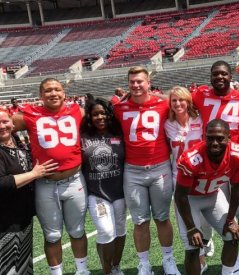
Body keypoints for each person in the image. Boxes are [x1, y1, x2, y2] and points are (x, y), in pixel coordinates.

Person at [12, 78, 91, 275]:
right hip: (45, 184)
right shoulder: (30, 115)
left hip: (74, 181)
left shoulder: (77, 111)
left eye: (57, 89)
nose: (53, 93)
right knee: (52, 235)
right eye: (48, 91)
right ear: (41, 96)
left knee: (77, 231)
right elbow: (5, 125)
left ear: (64, 93)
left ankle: (82, 271)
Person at [192, 60, 239, 274]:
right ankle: (233, 258)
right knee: (222, 215)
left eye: (224, 74)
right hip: (212, 166)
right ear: (210, 76)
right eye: (215, 74)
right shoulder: (200, 95)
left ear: (231, 76)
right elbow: (175, 100)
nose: (220, 77)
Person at [113, 66, 180, 275]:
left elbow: (185, 107)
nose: (136, 85)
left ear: (148, 82)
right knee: (140, 221)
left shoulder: (163, 103)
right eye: (132, 82)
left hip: (160, 167)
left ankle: (168, 259)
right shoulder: (119, 108)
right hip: (133, 171)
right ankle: (144, 263)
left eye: (140, 81)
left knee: (162, 218)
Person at [174, 119, 239, 275]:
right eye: (210, 138)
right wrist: (191, 228)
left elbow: (236, 188)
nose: (215, 143)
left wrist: (230, 220)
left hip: (213, 195)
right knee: (193, 245)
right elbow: (180, 195)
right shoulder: (191, 159)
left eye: (220, 138)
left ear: (229, 138)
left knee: (232, 235)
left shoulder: (238, 154)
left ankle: (228, 273)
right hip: (189, 200)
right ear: (204, 137)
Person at [0, 110, 58, 275]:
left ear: (12, 123)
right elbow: (2, 183)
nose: (2, 126)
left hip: (22, 215)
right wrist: (34, 174)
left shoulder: (18, 142)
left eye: (5, 121)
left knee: (24, 262)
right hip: (4, 219)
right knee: (8, 265)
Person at [164, 86, 213, 273]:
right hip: (179, 175)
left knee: (206, 221)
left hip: (201, 175)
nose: (178, 104)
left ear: (189, 101)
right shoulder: (167, 124)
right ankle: (199, 258)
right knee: (187, 221)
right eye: (174, 100)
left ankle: (207, 241)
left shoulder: (199, 119)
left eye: (181, 100)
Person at [80, 98, 126, 275]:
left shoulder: (118, 133)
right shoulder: (83, 135)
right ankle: (107, 271)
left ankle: (116, 266)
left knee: (120, 231)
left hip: (120, 192)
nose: (100, 117)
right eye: (95, 114)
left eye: (103, 113)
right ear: (90, 117)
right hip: (96, 193)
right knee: (106, 232)